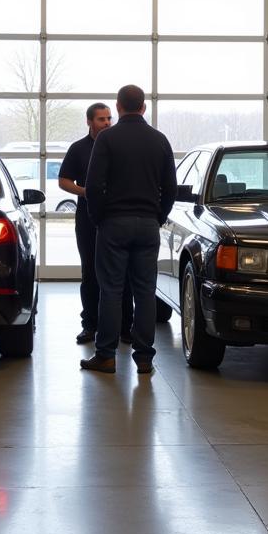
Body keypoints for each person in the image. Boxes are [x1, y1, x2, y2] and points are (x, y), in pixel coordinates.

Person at [80, 85, 176, 375]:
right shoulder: (160, 140)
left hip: (114, 224)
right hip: (148, 224)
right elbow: (170, 187)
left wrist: (99, 219)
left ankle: (106, 356)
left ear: (119, 107)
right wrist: (158, 216)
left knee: (111, 290)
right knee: (145, 291)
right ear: (143, 108)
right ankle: (144, 358)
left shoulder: (107, 139)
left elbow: (94, 186)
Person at [59, 103, 133, 345]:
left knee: (122, 274)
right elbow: (63, 181)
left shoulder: (118, 145)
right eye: (101, 119)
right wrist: (86, 191)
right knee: (89, 273)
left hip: (116, 218)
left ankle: (125, 328)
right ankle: (89, 326)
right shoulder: (78, 149)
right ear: (89, 121)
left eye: (109, 118)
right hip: (88, 218)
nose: (107, 122)